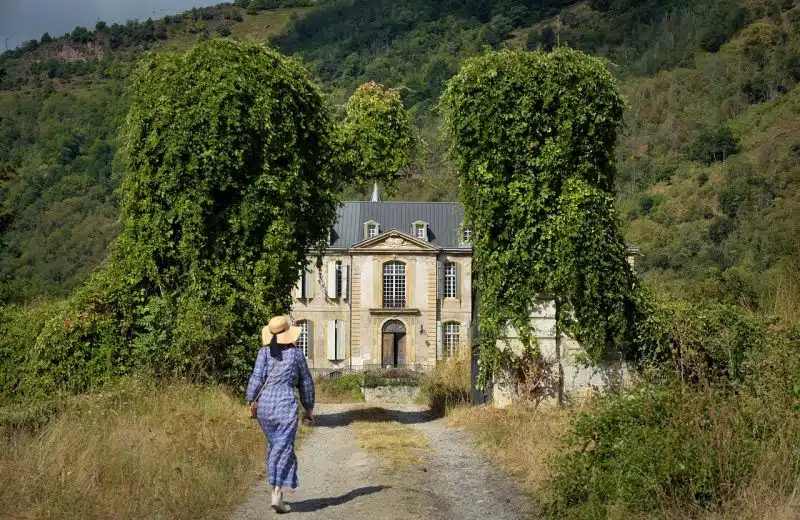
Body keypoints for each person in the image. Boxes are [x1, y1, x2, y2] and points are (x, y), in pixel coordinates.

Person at [246, 315, 315, 514]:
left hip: (265, 407)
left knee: (276, 445)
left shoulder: (263, 353)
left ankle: (278, 493)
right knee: (283, 447)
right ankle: (276, 492)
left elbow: (256, 379)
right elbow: (306, 384)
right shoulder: (296, 355)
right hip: (285, 404)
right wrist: (308, 408)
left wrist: (251, 400)